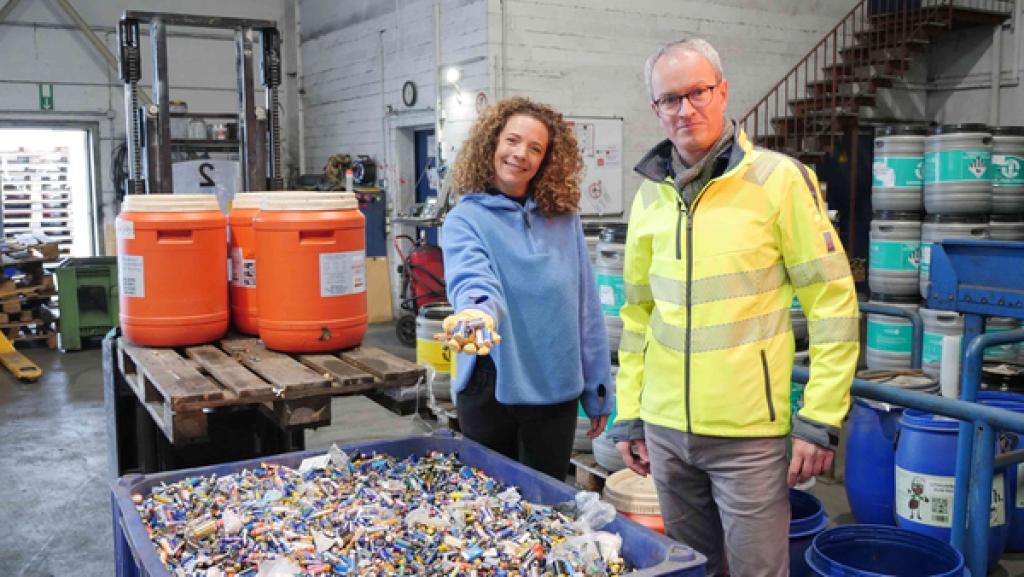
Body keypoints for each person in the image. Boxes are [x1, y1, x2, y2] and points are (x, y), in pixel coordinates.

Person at [606, 38, 860, 576]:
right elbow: (637, 317)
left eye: (697, 92)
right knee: (691, 567)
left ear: (723, 92)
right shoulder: (650, 197)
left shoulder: (778, 180)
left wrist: (819, 416)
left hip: (748, 436)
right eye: (669, 99)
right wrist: (630, 413)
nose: (685, 109)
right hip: (666, 432)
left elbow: (832, 301)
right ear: (655, 109)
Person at [439, 96, 614, 481]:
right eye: (513, 141)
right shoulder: (465, 220)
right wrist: (476, 314)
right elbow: (473, 281)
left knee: (546, 503)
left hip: (554, 386)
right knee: (489, 509)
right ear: (492, 144)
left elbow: (586, 308)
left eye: (535, 148)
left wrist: (598, 383)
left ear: (547, 159)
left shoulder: (564, 220)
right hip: (490, 385)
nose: (521, 154)